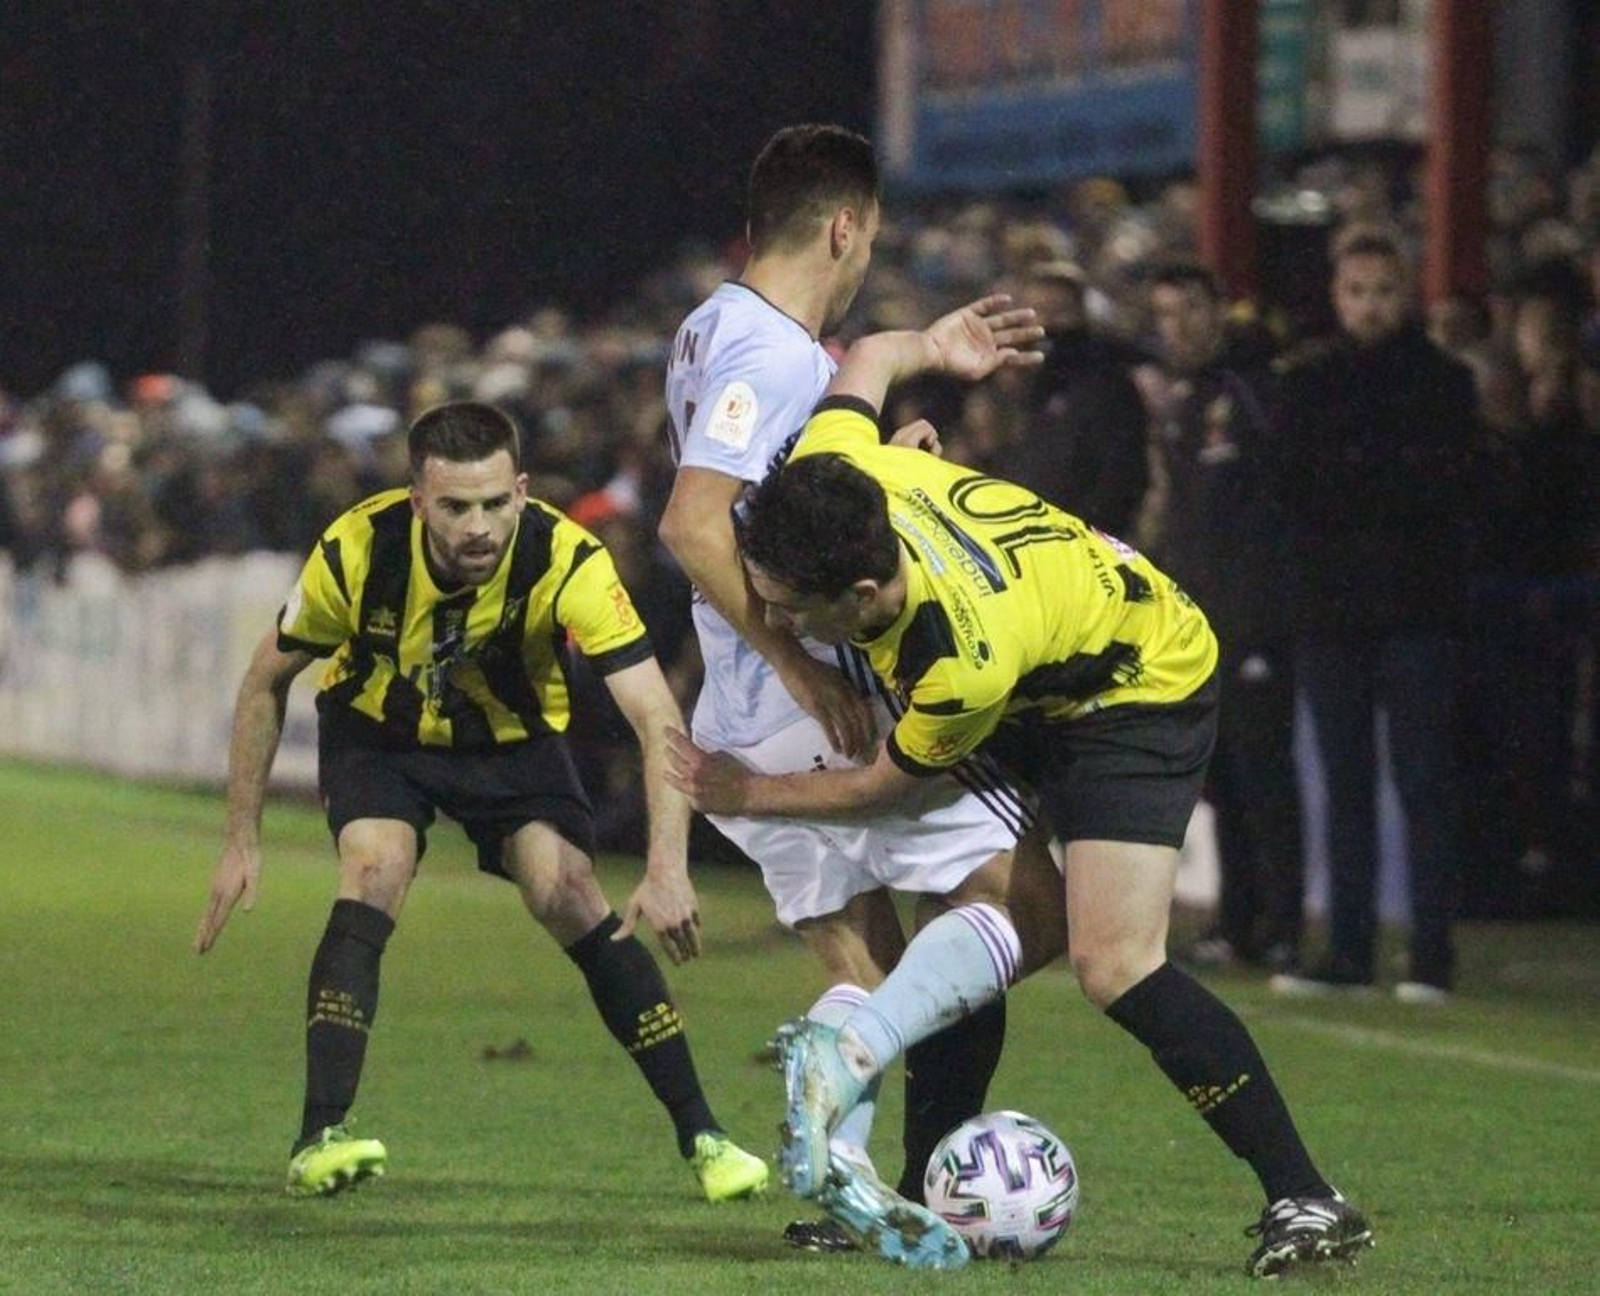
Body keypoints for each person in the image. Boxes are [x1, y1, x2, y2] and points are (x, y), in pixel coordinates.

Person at [666, 299, 1372, 1278]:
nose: (775, 622)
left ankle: (1307, 1196)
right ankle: (908, 1188)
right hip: (1054, 649)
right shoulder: (845, 473)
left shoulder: (957, 660)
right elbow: (868, 354)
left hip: (1136, 686)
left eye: (790, 610)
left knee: (1114, 963)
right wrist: (935, 349)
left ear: (863, 598)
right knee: (970, 897)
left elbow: (886, 790)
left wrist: (749, 793)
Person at [193, 400, 767, 1203]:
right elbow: (264, 682)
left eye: (496, 504)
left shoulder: (569, 560)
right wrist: (239, 841)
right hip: (379, 733)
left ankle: (706, 1137)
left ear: (523, 491)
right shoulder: (358, 549)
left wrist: (667, 864)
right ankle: (320, 1134)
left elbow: (654, 715)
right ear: (417, 500)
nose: (479, 527)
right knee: (373, 866)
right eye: (455, 507)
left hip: (511, 744)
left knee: (566, 888)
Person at [657, 123, 1059, 1261]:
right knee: (1028, 904)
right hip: (806, 690)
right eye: (871, 236)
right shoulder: (772, 351)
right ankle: (891, 1134)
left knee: (859, 961)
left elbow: (768, 496)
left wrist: (886, 456)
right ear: (843, 226)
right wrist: (794, 660)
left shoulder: (708, 329)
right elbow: (693, 523)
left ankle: (850, 1186)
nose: (868, 255)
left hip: (746, 700)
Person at [1267, 228, 1479, 1003]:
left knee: (1424, 784)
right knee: (1348, 786)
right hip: (1334, 615)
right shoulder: (1311, 383)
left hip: (1417, 614)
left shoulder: (1445, 382)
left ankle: (1430, 955)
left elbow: (1449, 491)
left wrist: (1353, 490)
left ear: (1407, 292)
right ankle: (1351, 950)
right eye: (1357, 291)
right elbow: (1291, 489)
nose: (1369, 306)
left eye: (1383, 291)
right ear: (1336, 295)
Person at [1147, 261, 1303, 972]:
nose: (1174, 327)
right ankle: (1239, 921)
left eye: (1186, 311)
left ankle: (1285, 925)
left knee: (1265, 775)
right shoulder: (1185, 399)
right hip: (1199, 619)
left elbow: (1286, 507)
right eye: (1164, 315)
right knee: (1223, 778)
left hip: (1256, 615)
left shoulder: (1258, 390)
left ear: (1218, 309)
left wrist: (1269, 606)